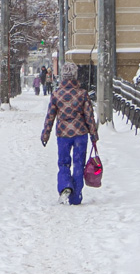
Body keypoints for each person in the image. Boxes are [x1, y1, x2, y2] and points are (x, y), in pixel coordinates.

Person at [41, 62, 98, 205]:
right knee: (79, 164)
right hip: (80, 133)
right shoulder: (82, 94)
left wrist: (45, 134)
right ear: (75, 76)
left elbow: (50, 116)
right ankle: (76, 196)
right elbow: (89, 116)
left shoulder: (56, 94)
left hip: (63, 134)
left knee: (64, 163)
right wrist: (93, 135)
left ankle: (65, 185)